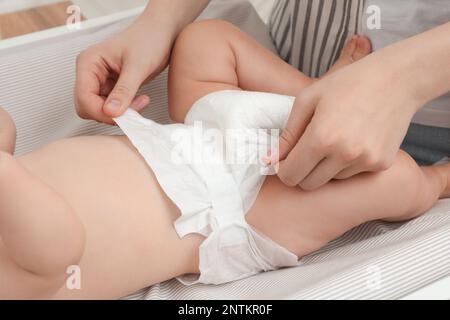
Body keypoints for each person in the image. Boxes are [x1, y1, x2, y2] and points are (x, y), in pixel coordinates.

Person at [1, 19, 450, 299]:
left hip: (188, 138)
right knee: (395, 179)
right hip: (234, 215)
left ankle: (320, 96)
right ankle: (437, 181)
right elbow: (59, 243)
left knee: (205, 40)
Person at [75, 0, 450, 190]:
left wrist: (405, 79)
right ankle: (318, 94)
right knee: (388, 184)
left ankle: (431, 178)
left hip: (428, 119)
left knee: (202, 42)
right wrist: (159, 21)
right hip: (290, 72)